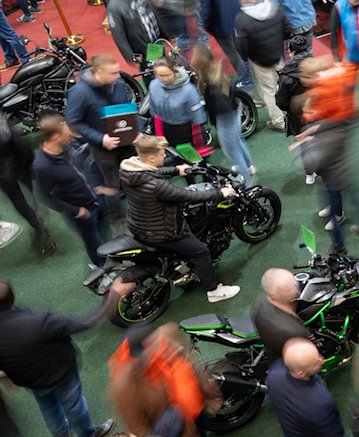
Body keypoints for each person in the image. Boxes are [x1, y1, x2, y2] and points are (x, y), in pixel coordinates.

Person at [107, 325, 241, 437]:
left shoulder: (165, 340)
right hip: (172, 431)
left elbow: (191, 365)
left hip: (194, 413)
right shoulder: (124, 385)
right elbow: (138, 426)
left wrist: (210, 394)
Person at [119, 134, 241, 302]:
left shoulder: (128, 170)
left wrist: (176, 169)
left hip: (139, 224)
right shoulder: (156, 185)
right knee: (200, 251)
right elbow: (183, 195)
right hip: (162, 231)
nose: (164, 156)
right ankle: (213, 291)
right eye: (162, 154)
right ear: (152, 157)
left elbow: (150, 171)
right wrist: (219, 193)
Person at [0, 279, 119, 437]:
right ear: (11, 298)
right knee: (74, 405)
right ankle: (88, 435)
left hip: (31, 380)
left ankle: (62, 436)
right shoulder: (38, 320)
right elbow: (85, 324)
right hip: (61, 373)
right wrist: (114, 294)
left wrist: (7, 377)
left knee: (48, 407)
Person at [267, 338, 349, 437]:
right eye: (316, 361)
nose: (322, 359)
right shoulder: (320, 402)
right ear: (300, 372)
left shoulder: (275, 373)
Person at [33, 115, 112, 267]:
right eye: (66, 133)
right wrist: (75, 211)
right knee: (93, 241)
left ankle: (110, 257)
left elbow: (82, 168)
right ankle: (101, 268)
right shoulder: (42, 166)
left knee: (104, 233)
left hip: (97, 199)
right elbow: (45, 195)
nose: (70, 135)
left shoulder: (67, 146)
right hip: (83, 213)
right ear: (56, 138)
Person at [298, 61, 359, 252]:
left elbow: (330, 132)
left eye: (306, 76)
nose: (303, 80)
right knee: (340, 193)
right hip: (330, 165)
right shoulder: (324, 95)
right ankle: (346, 217)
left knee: (343, 194)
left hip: (335, 168)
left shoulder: (333, 104)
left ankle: (341, 229)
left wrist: (311, 139)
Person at [64, 55, 135, 208]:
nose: (118, 76)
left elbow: (128, 111)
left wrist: (136, 132)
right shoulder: (79, 92)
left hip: (127, 143)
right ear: (100, 71)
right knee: (111, 185)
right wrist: (101, 138)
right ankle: (117, 218)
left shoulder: (119, 84)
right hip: (103, 149)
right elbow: (73, 122)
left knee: (134, 176)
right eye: (113, 73)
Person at [191, 45, 257, 185]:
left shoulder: (212, 85)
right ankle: (249, 167)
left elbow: (220, 105)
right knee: (239, 141)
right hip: (234, 111)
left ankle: (246, 184)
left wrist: (206, 108)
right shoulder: (217, 70)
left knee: (233, 153)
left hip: (226, 120)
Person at [1, 111, 55, 256]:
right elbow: (9, 136)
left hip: (8, 165)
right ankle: (40, 227)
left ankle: (39, 227)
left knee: (21, 199)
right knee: (32, 193)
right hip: (17, 157)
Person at [235, 0, 292, 132]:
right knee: (285, 85)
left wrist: (249, 57)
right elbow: (287, 29)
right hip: (278, 56)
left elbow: (241, 47)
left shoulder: (241, 19)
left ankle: (279, 122)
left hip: (260, 62)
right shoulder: (274, 7)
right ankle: (293, 114)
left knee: (269, 92)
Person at [148, 57, 209, 149]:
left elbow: (197, 118)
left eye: (167, 75)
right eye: (161, 75)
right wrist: (159, 134)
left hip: (185, 131)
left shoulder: (189, 91)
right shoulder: (153, 86)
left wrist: (199, 143)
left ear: (174, 71)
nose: (164, 79)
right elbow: (154, 111)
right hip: (165, 129)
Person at [254, 268, 310, 363]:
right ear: (274, 295)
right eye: (289, 289)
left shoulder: (260, 305)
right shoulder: (295, 332)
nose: (297, 289)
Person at [275, 36, 315, 138]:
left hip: (298, 119)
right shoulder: (317, 65)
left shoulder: (286, 76)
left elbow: (281, 102)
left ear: (291, 52)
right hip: (319, 113)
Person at [105, 0, 161, 72]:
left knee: (163, 68)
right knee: (151, 73)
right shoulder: (114, 6)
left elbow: (154, 14)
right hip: (142, 49)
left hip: (156, 41)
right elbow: (119, 36)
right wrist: (131, 56)